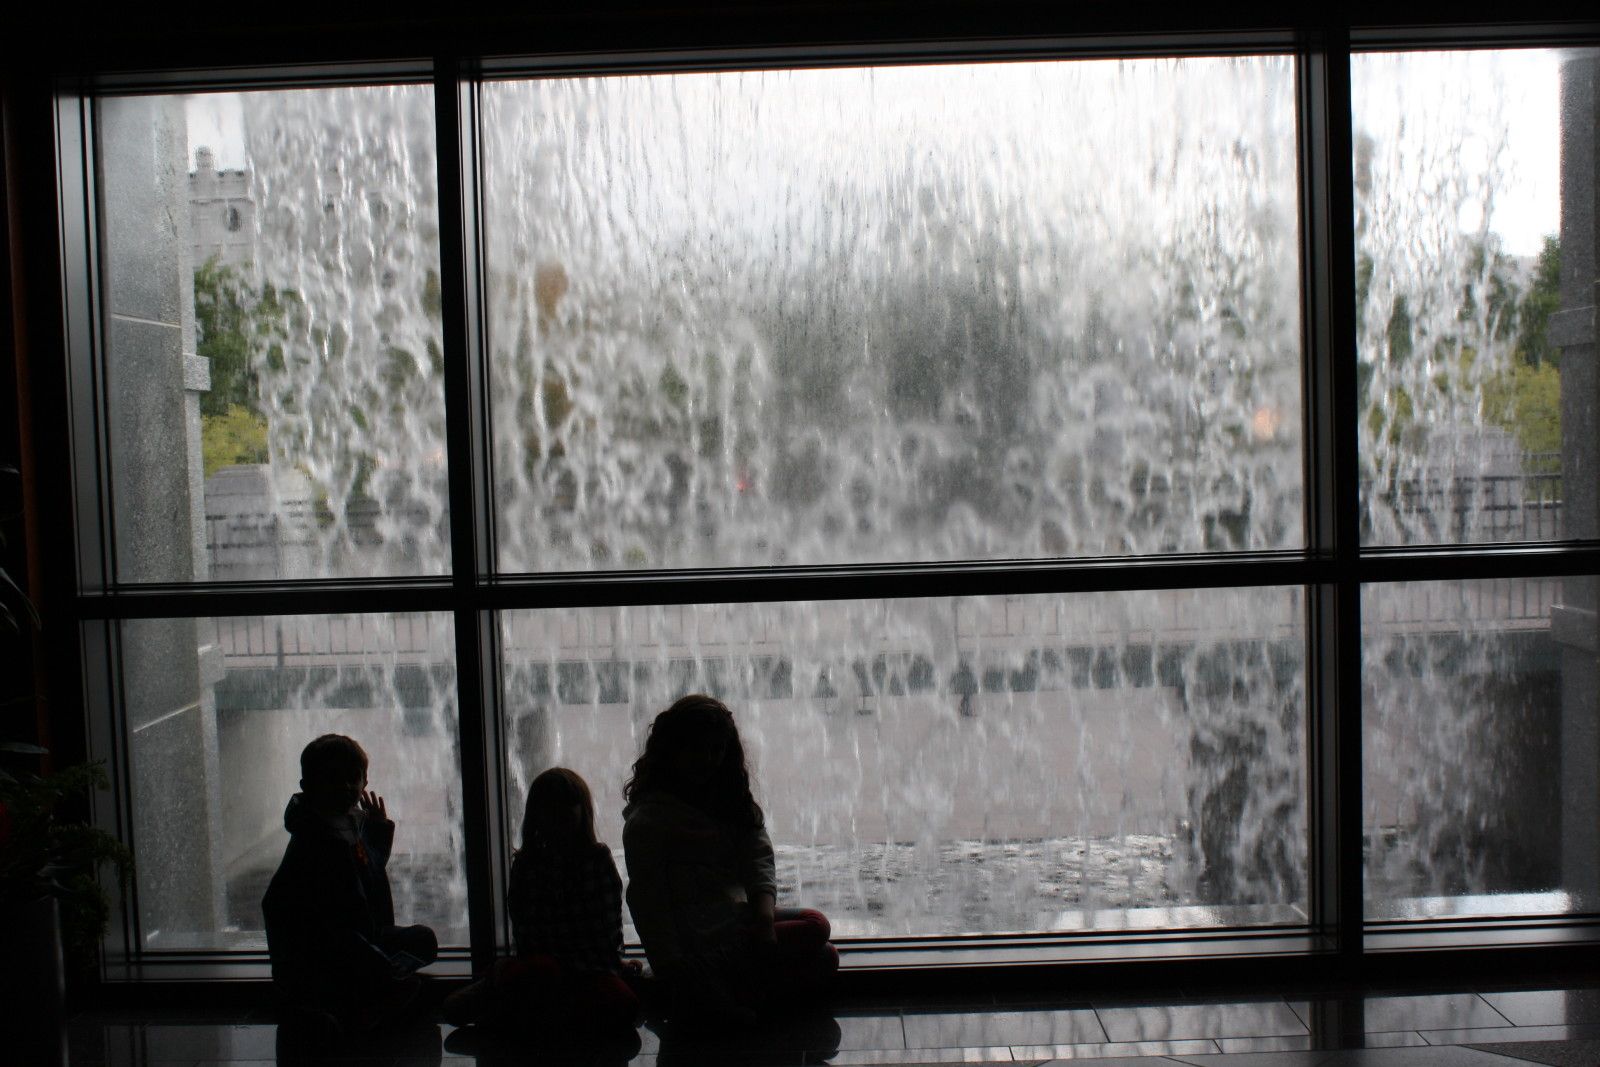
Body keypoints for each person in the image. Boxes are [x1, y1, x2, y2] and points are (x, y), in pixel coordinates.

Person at [622, 694, 838, 1026]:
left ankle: (716, 995)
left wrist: (765, 922)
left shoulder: (727, 800)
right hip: (699, 942)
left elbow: (758, 858)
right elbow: (648, 900)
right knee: (818, 948)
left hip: (736, 924)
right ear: (672, 751)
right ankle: (711, 991)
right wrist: (672, 965)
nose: (708, 760)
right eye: (697, 750)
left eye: (716, 750)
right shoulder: (650, 821)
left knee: (820, 939)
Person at [441, 767, 640, 1036]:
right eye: (552, 807)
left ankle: (514, 1004)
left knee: (617, 1004)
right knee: (609, 1003)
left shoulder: (537, 863)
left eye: (566, 804)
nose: (560, 815)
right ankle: (532, 1010)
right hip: (562, 970)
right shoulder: (568, 862)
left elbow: (530, 930)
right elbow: (606, 928)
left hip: (567, 970)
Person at [262, 734, 438, 1034]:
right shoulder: (315, 837)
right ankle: (351, 1001)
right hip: (321, 949)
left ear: (364, 783)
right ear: (308, 786)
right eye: (332, 778)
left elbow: (367, 872)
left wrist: (377, 829)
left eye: (352, 778)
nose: (345, 786)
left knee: (423, 941)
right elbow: (316, 918)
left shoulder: (348, 823)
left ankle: (364, 995)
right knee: (374, 954)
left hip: (358, 935)